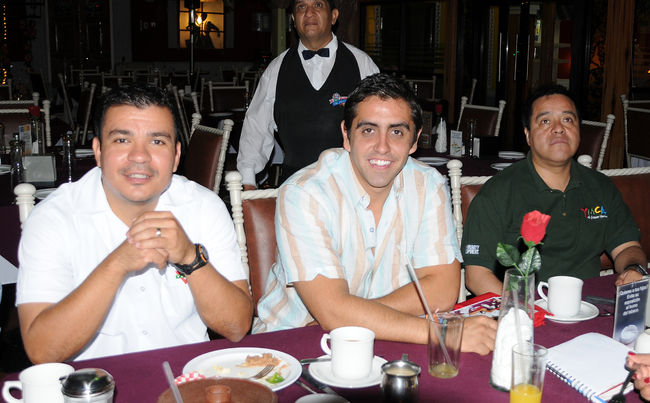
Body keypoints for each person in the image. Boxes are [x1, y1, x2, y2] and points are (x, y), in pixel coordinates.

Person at [254, 73, 496, 355]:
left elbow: (442, 291)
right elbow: (333, 312)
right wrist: (444, 334)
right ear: (347, 135)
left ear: (415, 140)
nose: (382, 146)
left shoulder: (428, 185)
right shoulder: (305, 193)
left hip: (391, 340)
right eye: (368, 130)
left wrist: (348, 315)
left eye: (397, 132)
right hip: (292, 345)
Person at [16, 85, 253, 363]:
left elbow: (237, 327)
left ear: (176, 157)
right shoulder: (54, 218)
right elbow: (42, 351)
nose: (139, 156)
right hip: (95, 381)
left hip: (189, 375)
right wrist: (117, 265)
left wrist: (191, 257)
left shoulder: (203, 207)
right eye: (122, 140)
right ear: (98, 151)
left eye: (157, 142)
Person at [461, 84, 648, 296]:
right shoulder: (498, 192)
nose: (559, 128)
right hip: (524, 308)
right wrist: (524, 309)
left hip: (591, 306)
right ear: (528, 135)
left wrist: (633, 269)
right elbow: (477, 276)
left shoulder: (600, 187)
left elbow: (627, 248)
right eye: (545, 121)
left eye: (567, 119)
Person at [237, 0, 379, 190]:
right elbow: (256, 127)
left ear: (333, 16)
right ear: (294, 19)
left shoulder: (362, 64)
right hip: (294, 186)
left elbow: (381, 124)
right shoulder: (276, 69)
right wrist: (248, 181)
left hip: (351, 186)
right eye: (301, 7)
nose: (309, 12)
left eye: (318, 5)